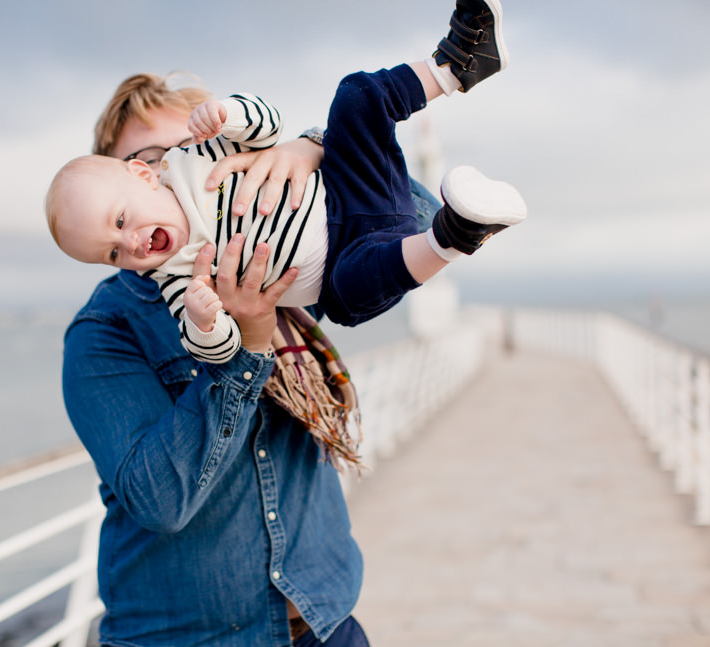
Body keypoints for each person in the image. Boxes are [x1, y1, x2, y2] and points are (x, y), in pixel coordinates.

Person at [59, 2, 514, 644]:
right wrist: (243, 344)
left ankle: (459, 63)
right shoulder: (108, 329)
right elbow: (158, 500)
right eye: (151, 160)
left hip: (325, 622)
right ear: (124, 180)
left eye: (185, 149)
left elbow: (406, 215)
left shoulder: (289, 265)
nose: (172, 170)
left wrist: (311, 148)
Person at [46, 29, 525, 367]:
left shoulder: (196, 159)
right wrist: (206, 321)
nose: (127, 244)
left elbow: (264, 122)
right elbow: (209, 346)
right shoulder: (172, 273)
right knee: (351, 289)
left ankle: (459, 61)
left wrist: (276, 132)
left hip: (350, 191)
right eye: (110, 252)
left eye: (163, 149)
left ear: (144, 175)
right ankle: (456, 233)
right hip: (345, 262)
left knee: (356, 94)